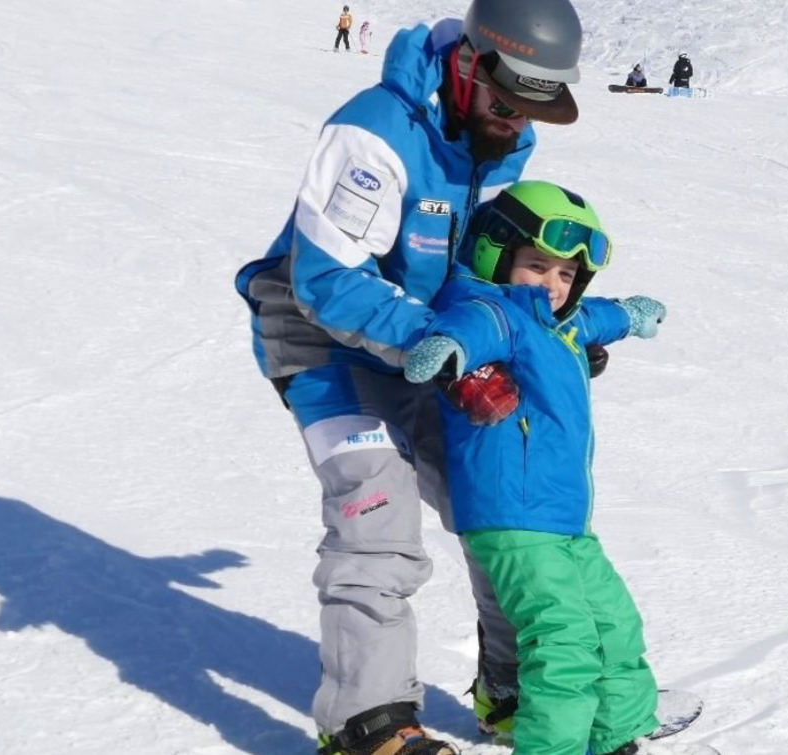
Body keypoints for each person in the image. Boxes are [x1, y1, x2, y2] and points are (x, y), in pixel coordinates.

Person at [233, 1, 588, 754]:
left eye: (530, 110)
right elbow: (326, 280)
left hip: (424, 338)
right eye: (507, 102)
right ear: (469, 62)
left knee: (499, 502)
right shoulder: (374, 132)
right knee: (379, 518)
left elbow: (467, 261)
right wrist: (439, 344)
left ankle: (513, 687)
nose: (517, 123)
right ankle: (369, 724)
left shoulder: (497, 135)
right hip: (321, 340)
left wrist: (533, 336)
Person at [401, 180, 675, 755]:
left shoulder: (562, 321)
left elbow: (593, 318)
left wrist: (628, 314)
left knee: (614, 628)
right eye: (538, 266)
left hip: (565, 518)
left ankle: (615, 738)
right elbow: (473, 327)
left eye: (566, 275)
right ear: (495, 254)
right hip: (513, 514)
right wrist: (449, 347)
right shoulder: (494, 309)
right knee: (564, 641)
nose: (552, 285)